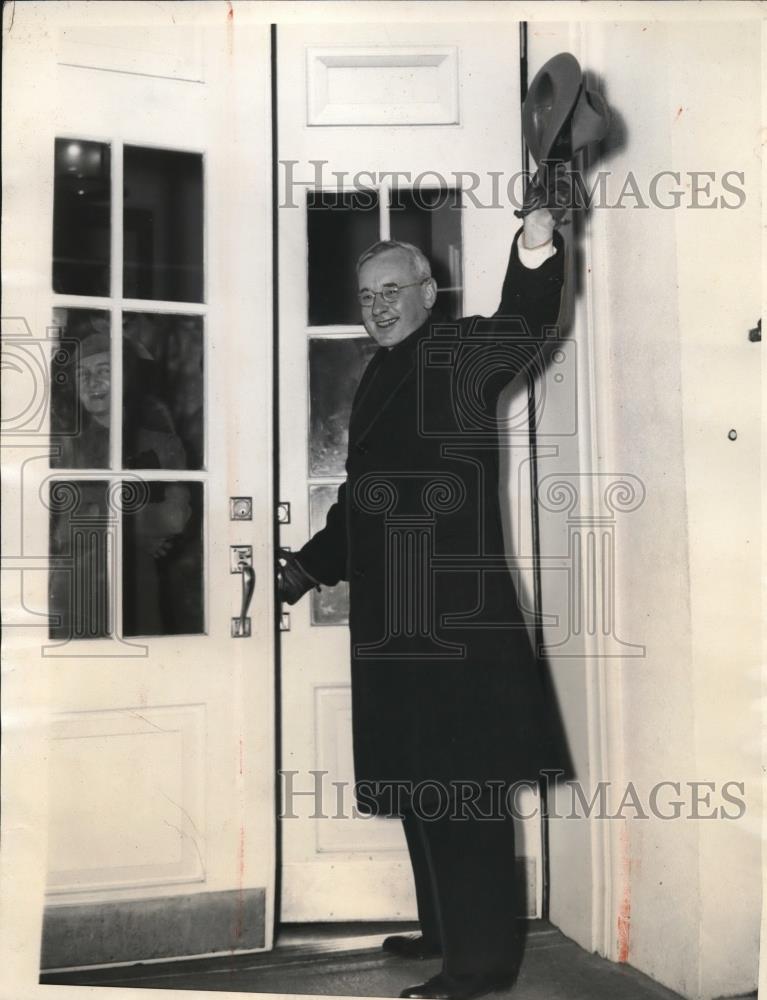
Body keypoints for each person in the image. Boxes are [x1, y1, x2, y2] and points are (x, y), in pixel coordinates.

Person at [276, 196, 567, 1000]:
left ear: (427, 292)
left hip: (456, 623)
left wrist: (535, 243)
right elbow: (363, 501)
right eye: (366, 297)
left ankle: (477, 969)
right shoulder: (378, 372)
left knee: (462, 788)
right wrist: (302, 569)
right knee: (418, 780)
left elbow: (525, 320)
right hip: (395, 620)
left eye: (391, 291)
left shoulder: (459, 350)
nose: (377, 308)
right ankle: (444, 928)